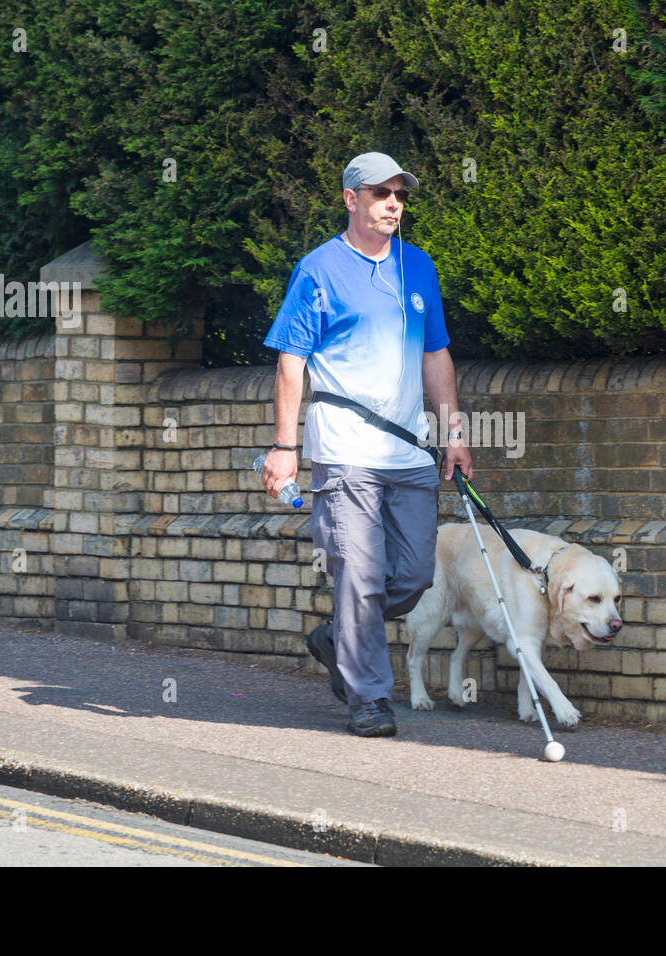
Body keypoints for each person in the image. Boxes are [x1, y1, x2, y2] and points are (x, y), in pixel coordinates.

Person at [260, 151, 473, 737]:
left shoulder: (418, 267)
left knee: (411, 576)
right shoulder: (318, 269)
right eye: (381, 193)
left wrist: (453, 434)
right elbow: (291, 361)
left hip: (408, 454)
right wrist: (284, 448)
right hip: (345, 451)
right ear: (351, 199)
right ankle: (370, 698)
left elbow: (436, 355)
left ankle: (339, 639)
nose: (394, 203)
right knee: (358, 572)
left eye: (399, 193)